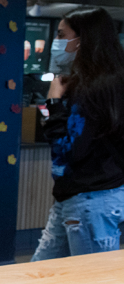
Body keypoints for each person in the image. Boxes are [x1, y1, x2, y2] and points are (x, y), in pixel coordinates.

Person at [31, 6, 124, 261]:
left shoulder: (89, 91)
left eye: (61, 36)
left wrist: (53, 103)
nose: (56, 43)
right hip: (81, 197)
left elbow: (66, 150)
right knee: (41, 277)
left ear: (81, 42)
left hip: (89, 201)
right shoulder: (111, 83)